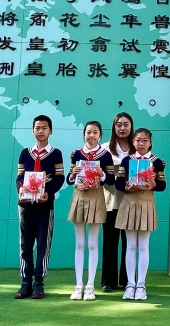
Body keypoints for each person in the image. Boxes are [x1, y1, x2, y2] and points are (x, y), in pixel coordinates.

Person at [14, 115, 65, 299]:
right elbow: (20, 176)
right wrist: (21, 188)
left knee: (43, 244)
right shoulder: (25, 153)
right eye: (37, 128)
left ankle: (38, 283)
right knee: (25, 245)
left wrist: (48, 193)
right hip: (25, 205)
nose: (41, 131)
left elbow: (59, 178)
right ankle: (25, 283)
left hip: (45, 206)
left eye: (44, 128)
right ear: (32, 131)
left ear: (50, 131)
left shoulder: (56, 154)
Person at [114, 128, 166, 301]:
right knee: (130, 245)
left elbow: (162, 185)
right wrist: (126, 187)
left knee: (143, 245)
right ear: (133, 142)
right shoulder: (127, 160)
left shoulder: (156, 162)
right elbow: (118, 183)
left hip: (146, 201)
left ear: (150, 142)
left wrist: (153, 184)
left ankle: (141, 284)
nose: (141, 143)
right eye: (138, 140)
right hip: (129, 201)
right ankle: (130, 284)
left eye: (145, 140)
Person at [66, 121, 115, 301]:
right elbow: (69, 179)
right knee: (80, 243)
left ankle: (90, 285)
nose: (91, 135)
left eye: (95, 132)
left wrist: (101, 174)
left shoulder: (106, 155)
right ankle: (78, 284)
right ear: (84, 134)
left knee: (93, 243)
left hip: (96, 196)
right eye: (88, 132)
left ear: (100, 135)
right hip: (79, 196)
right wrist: (73, 174)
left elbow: (111, 179)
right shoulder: (76, 154)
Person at [101, 113, 134, 292]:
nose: (122, 128)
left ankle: (128, 280)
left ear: (131, 126)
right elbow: (98, 171)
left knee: (130, 241)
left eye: (126, 124)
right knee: (110, 241)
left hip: (131, 200)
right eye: (119, 125)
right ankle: (108, 280)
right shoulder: (104, 148)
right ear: (114, 127)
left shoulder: (137, 148)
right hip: (110, 199)